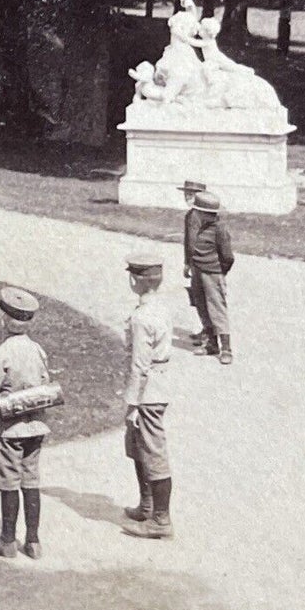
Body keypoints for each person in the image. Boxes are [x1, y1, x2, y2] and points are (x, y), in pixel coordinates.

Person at [0, 288, 51, 561]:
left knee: (8, 481)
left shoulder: (1, 353)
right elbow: (44, 384)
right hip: (36, 426)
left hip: (10, 429)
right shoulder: (38, 350)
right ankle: (33, 541)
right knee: (31, 480)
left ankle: (7, 541)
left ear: (5, 319)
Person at [121, 253, 176, 540]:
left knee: (153, 451)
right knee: (137, 445)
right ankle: (147, 505)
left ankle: (160, 520)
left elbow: (139, 366)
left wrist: (133, 404)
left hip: (147, 392)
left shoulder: (142, 317)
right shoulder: (160, 309)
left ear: (134, 280)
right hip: (157, 384)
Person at [187, 190, 234, 364]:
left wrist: (219, 272)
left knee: (217, 308)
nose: (196, 214)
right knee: (202, 306)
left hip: (213, 273)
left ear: (207, 214)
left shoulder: (219, 229)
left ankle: (226, 348)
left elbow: (228, 256)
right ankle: (212, 344)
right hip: (198, 270)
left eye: (199, 211)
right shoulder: (202, 226)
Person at [180, 179, 209, 348]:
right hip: (199, 262)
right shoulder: (192, 214)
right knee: (198, 297)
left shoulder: (196, 216)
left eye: (191, 194)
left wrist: (190, 262)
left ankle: (209, 332)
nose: (187, 197)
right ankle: (206, 329)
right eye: (186, 194)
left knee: (201, 297)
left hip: (200, 262)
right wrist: (186, 261)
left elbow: (192, 242)